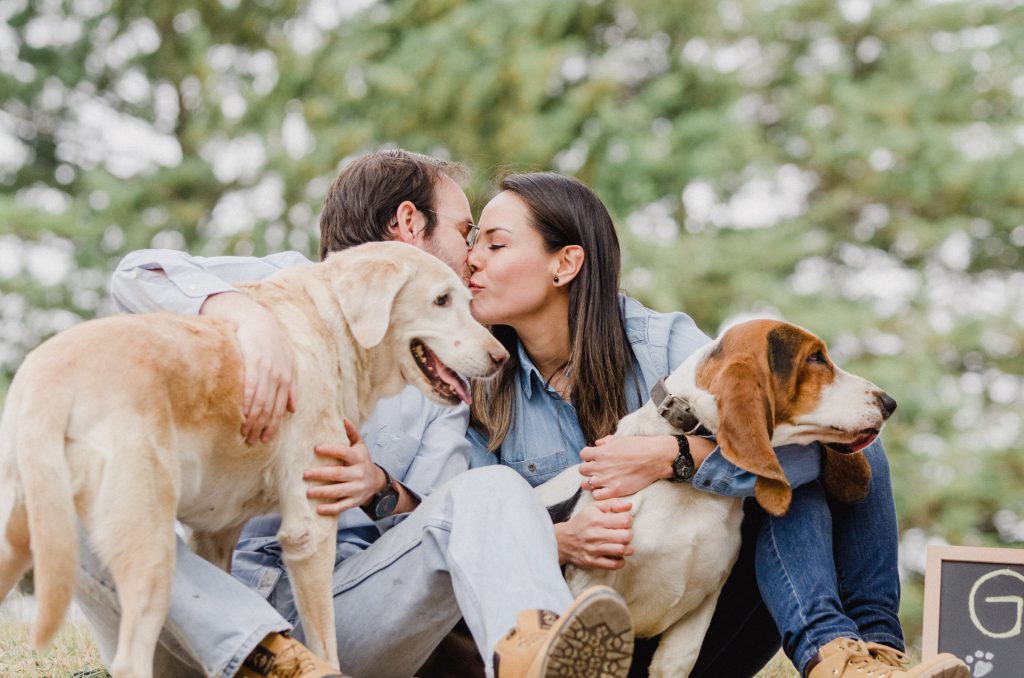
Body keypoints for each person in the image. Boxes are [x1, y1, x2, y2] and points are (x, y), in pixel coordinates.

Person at [99, 150, 635, 678]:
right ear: (408, 222)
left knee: (490, 487)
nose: (472, 255)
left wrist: (375, 485)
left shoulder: (442, 374)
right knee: (78, 478)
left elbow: (441, 519)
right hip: (200, 617)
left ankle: (535, 657)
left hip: (343, 614)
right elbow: (137, 275)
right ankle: (261, 654)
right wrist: (245, 317)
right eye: (465, 232)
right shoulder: (284, 283)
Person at [462, 172, 970, 678]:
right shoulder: (475, 387)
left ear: (566, 263)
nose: (472, 259)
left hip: (699, 625)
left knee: (841, 451)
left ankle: (859, 656)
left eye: (495, 244)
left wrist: (676, 457)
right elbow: (470, 532)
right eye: (472, 243)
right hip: (572, 635)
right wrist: (561, 540)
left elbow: (769, 432)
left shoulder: (665, 345)